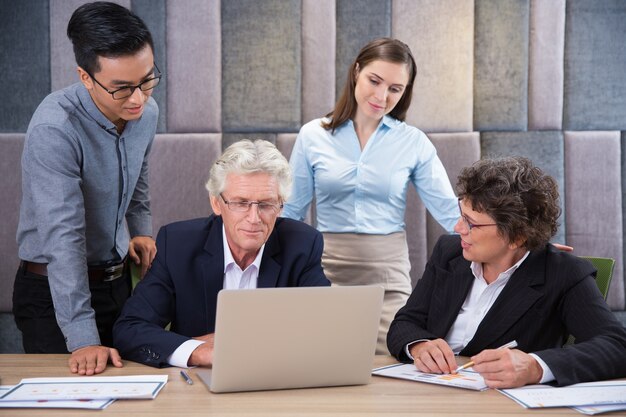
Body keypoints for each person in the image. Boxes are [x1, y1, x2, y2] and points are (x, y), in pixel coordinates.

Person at [282, 38, 459, 354]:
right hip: (325, 271)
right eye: (374, 81)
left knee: (391, 368)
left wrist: (516, 243)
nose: (381, 96)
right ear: (356, 72)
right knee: (323, 363)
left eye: (395, 88)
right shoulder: (313, 135)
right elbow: (290, 211)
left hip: (387, 277)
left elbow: (450, 212)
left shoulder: (414, 142)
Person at [387, 157, 626, 388]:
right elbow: (406, 322)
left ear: (516, 236)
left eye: (471, 223)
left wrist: (536, 366)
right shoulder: (448, 253)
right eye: (461, 215)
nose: (458, 228)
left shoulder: (562, 273)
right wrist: (418, 345)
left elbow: (618, 346)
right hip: (428, 393)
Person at [13, 2, 160, 375]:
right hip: (52, 293)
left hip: (117, 283)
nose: (139, 98)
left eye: (147, 79)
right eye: (122, 88)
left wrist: (140, 231)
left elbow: (138, 174)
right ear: (84, 76)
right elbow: (63, 238)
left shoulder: (145, 111)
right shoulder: (55, 128)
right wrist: (82, 336)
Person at [113, 140, 330, 368]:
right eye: (240, 203)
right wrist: (198, 352)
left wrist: (250, 344)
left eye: (266, 204)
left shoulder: (303, 244)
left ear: (281, 206)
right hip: (197, 388)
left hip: (275, 381)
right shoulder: (178, 245)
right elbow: (130, 328)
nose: (254, 218)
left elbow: (325, 329)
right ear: (216, 203)